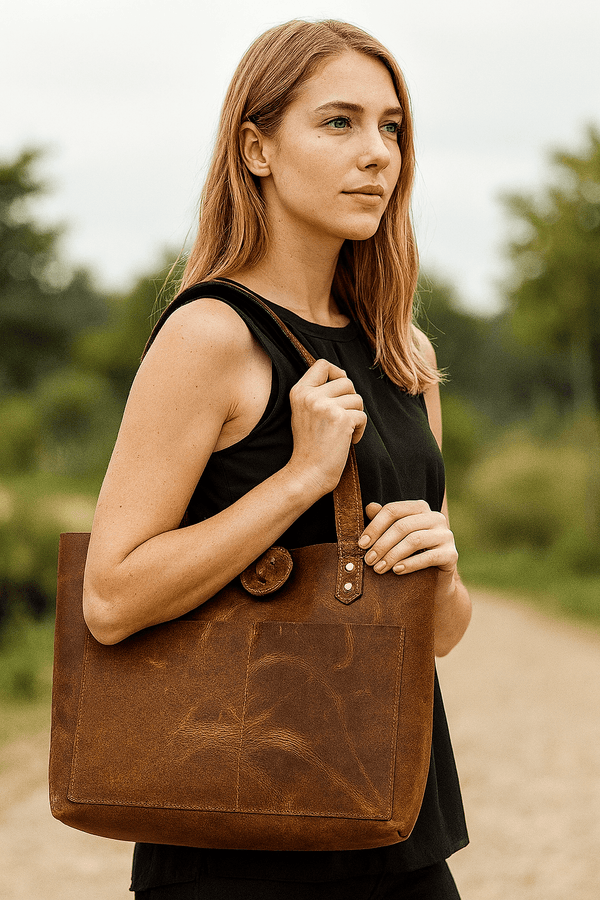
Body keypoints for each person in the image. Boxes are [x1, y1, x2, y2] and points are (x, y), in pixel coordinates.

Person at [82, 18, 471, 900]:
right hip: (235, 842)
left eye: (391, 127)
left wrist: (441, 574)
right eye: (338, 122)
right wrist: (301, 479)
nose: (376, 154)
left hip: (396, 828)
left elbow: (441, 637)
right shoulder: (210, 335)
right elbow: (110, 597)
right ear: (256, 149)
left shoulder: (403, 355)